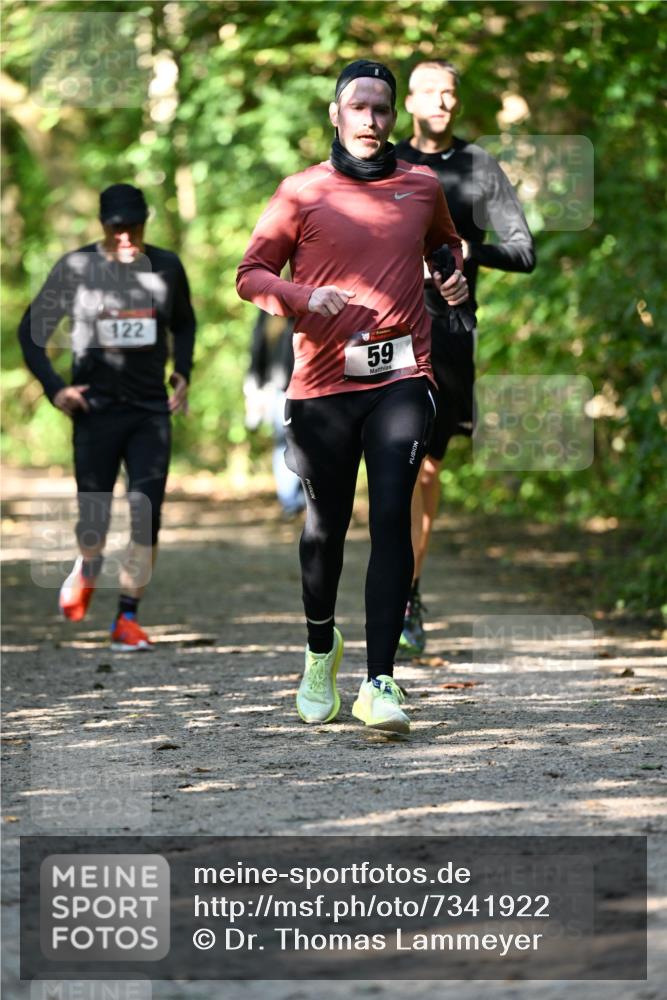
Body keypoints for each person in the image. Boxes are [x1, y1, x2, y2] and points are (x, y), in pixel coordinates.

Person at [237, 60, 468, 734]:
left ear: (394, 118)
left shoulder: (421, 185)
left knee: (392, 512)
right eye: (358, 107)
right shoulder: (301, 192)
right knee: (324, 527)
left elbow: (445, 244)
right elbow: (249, 275)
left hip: (404, 374)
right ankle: (318, 650)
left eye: (382, 108)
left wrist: (449, 276)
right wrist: (303, 297)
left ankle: (381, 682)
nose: (371, 119)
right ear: (335, 115)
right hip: (322, 386)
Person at [394, 59, 536, 656]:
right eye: (431, 92)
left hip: (449, 329)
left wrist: (466, 250)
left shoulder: (478, 166)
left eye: (452, 93)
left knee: (425, 469)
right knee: (393, 464)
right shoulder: (388, 163)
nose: (443, 103)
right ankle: (395, 586)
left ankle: (407, 592)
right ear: (410, 103)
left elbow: (524, 251)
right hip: (387, 326)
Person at [18, 183, 196, 651]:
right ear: (103, 226)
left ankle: (126, 618)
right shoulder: (77, 269)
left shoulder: (166, 267)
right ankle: (89, 564)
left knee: (146, 515)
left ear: (145, 222)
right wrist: (56, 390)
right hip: (95, 413)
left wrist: (183, 372)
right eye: (117, 228)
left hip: (149, 412)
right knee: (93, 521)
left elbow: (184, 321)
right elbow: (30, 333)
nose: (126, 238)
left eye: (134, 227)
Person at [244, 309, 306, 518]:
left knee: (309, 443)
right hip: (280, 388)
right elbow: (257, 346)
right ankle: (291, 502)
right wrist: (255, 388)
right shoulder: (269, 308)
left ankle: (304, 498)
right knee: (285, 443)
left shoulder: (319, 296)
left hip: (314, 385)